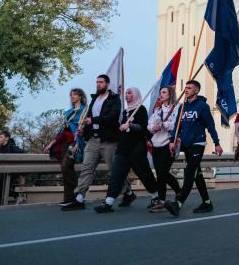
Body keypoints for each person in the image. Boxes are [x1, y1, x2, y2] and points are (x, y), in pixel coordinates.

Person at [62, 75, 124, 211]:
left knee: (114, 170)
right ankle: (79, 199)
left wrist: (94, 120)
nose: (98, 84)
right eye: (97, 82)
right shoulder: (94, 99)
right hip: (93, 140)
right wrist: (84, 131)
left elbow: (113, 117)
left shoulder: (114, 99)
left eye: (101, 82)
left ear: (107, 84)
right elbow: (88, 119)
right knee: (87, 168)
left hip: (108, 140)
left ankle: (128, 192)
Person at [95, 87, 160, 213]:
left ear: (135, 95)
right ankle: (108, 203)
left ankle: (156, 198)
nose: (126, 95)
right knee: (116, 174)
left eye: (129, 93)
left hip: (136, 148)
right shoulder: (125, 112)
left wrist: (130, 125)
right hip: (123, 148)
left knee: (144, 174)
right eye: (126, 93)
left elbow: (142, 128)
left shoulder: (140, 109)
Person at [164, 80, 223, 217]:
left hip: (198, 143)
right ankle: (207, 203)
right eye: (185, 88)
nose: (186, 90)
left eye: (189, 88)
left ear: (196, 90)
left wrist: (217, 143)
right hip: (186, 144)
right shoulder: (182, 107)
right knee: (197, 174)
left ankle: (177, 203)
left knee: (190, 172)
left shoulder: (202, 106)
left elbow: (210, 126)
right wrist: (172, 140)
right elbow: (177, 127)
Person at [43, 88, 87, 206]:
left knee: (66, 166)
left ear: (81, 97)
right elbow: (62, 129)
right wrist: (52, 143)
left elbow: (83, 129)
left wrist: (78, 142)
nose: (72, 96)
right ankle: (69, 198)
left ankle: (77, 195)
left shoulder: (84, 111)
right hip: (65, 142)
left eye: (75, 94)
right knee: (65, 169)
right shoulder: (68, 112)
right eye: (71, 95)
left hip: (75, 141)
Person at [147, 86, 181, 212]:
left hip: (169, 145)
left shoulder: (177, 109)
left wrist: (164, 124)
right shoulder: (158, 111)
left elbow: (178, 125)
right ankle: (179, 191)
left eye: (164, 92)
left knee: (162, 173)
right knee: (161, 173)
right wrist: (153, 127)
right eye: (160, 92)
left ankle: (161, 201)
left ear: (170, 94)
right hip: (156, 145)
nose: (161, 94)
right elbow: (149, 125)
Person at [0, 130, 24, 205]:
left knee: (0, 189)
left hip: (12, 171)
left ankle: (16, 196)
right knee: (0, 189)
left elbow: (22, 152)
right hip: (4, 170)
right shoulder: (0, 147)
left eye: (1, 137)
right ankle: (17, 196)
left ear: (7, 138)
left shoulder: (11, 146)